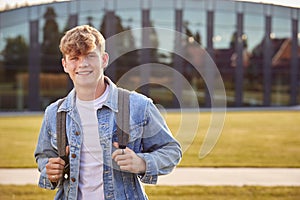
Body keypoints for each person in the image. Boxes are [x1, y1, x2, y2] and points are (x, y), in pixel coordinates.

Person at [34, 25, 182, 200]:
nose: (83, 64)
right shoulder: (55, 113)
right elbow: (44, 156)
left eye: (90, 56)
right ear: (65, 65)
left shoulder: (138, 105)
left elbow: (171, 150)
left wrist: (142, 163)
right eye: (74, 58)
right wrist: (49, 171)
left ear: (104, 60)